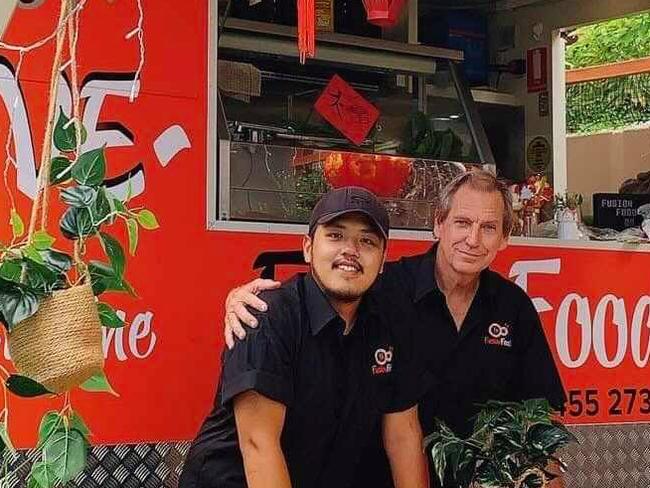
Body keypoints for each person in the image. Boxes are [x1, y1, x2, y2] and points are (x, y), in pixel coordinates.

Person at [223, 170, 568, 488]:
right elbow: (330, 281)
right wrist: (241, 299)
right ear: (439, 224)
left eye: (489, 228)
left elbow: (541, 414)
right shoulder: (386, 291)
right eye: (462, 222)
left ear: (505, 238)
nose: (473, 239)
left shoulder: (514, 307)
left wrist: (547, 476)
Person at [180, 186, 429, 488]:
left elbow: (403, 435)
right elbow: (259, 445)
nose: (351, 249)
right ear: (309, 248)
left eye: (366, 240)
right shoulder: (266, 317)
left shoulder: (389, 323)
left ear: (382, 258)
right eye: (336, 235)